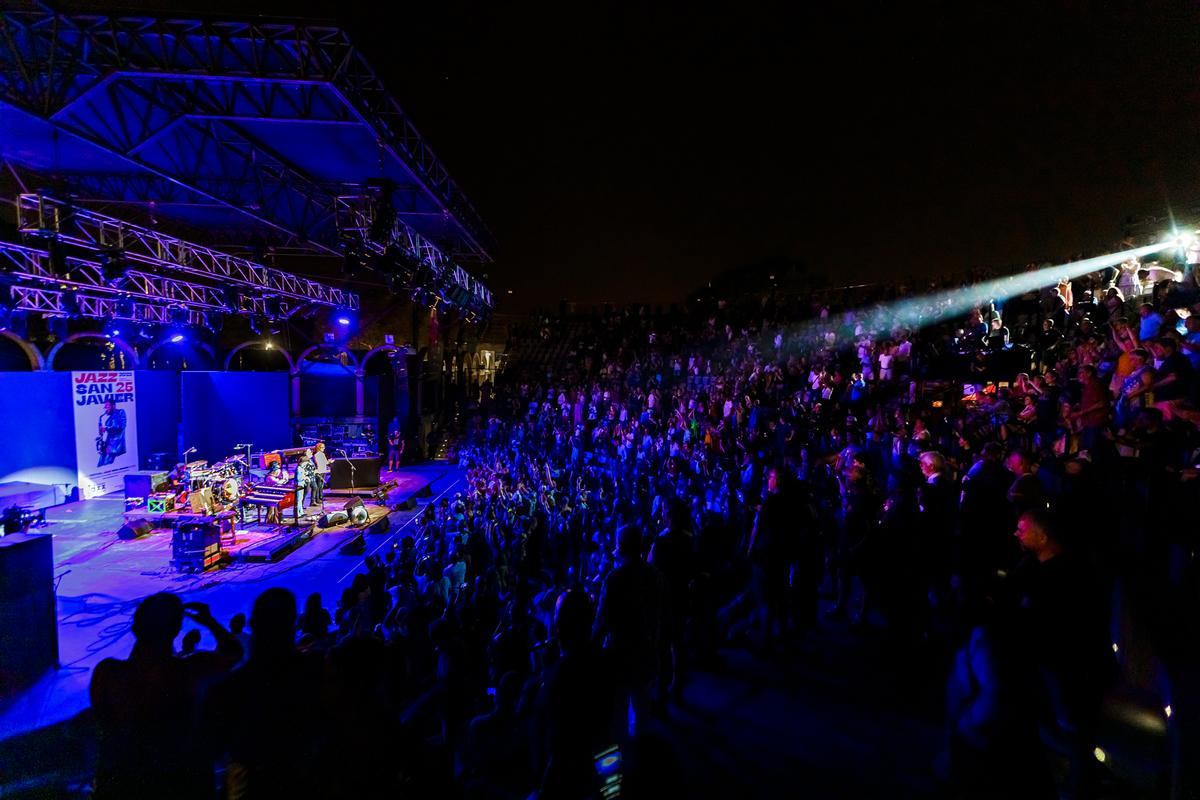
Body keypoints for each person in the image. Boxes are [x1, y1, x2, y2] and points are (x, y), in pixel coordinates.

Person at [90, 594, 241, 800]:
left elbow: (103, 725)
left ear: (136, 627)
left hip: (123, 784)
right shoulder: (190, 670)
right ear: (176, 630)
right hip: (180, 784)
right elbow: (234, 652)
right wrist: (209, 621)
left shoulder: (106, 673)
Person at [593, 524, 667, 736]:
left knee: (619, 709)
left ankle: (626, 759)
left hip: (620, 653)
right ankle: (642, 753)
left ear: (621, 547)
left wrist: (592, 647)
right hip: (646, 648)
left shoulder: (614, 579)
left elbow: (602, 620)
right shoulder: (653, 575)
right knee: (642, 706)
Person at [96, 398, 128, 467]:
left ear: (113, 406)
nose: (105, 408)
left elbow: (121, 427)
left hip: (114, 444)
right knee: (100, 465)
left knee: (106, 464)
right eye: (105, 406)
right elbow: (102, 430)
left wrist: (106, 428)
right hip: (105, 444)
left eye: (107, 406)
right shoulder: (104, 416)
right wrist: (101, 430)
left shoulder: (120, 412)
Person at [312, 441, 330, 506]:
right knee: (319, 485)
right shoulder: (316, 455)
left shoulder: (323, 454)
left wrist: (329, 461)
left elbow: (326, 462)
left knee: (321, 486)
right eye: (322, 447)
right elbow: (318, 463)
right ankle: (317, 499)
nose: (324, 448)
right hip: (319, 471)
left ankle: (320, 497)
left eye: (324, 447)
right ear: (319, 448)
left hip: (323, 471)